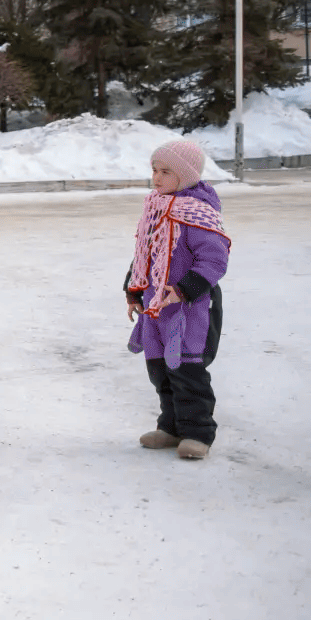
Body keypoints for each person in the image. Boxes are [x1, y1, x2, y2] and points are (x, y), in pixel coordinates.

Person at [125, 139, 231, 460]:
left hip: (188, 309)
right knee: (160, 370)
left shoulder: (197, 214)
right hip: (155, 309)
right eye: (154, 170)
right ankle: (170, 427)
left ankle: (198, 432)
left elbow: (214, 260)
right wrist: (132, 292)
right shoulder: (155, 208)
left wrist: (183, 289)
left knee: (186, 370)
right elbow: (142, 255)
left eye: (165, 171)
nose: (156, 178)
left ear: (185, 175)